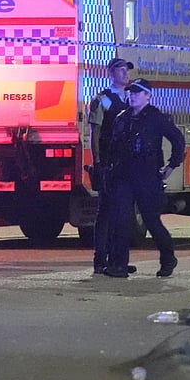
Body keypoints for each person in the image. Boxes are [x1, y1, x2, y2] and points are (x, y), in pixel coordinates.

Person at [103, 78, 186, 279]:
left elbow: (178, 140)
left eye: (138, 93)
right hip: (123, 176)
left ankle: (168, 258)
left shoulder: (156, 118)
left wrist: (171, 165)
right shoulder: (122, 117)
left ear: (148, 95)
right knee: (121, 220)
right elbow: (112, 147)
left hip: (147, 176)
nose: (133, 96)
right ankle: (119, 265)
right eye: (131, 92)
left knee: (151, 220)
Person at [87, 57, 137, 275]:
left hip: (125, 163)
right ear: (111, 74)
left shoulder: (129, 99)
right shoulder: (104, 100)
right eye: (121, 70)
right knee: (106, 212)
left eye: (127, 70)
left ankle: (118, 259)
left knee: (122, 212)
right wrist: (97, 161)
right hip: (108, 162)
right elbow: (95, 132)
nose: (125, 74)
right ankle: (101, 259)